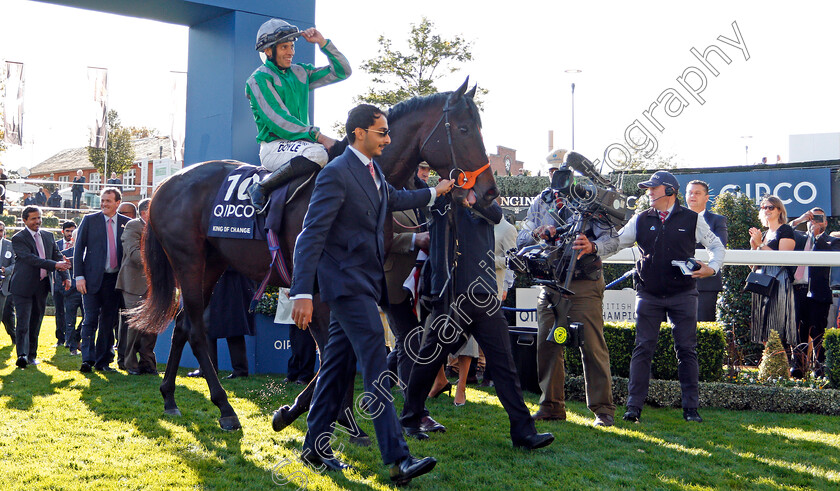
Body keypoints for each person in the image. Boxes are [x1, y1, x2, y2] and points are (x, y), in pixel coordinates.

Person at [289, 104, 451, 484]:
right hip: (345, 286)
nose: (388, 139)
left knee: (336, 367)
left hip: (365, 283)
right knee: (377, 364)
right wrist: (301, 292)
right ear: (358, 133)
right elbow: (310, 235)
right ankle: (398, 458)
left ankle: (313, 448)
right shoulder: (335, 174)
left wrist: (435, 191)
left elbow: (393, 199)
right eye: (382, 132)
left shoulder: (372, 170)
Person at [401, 186, 555, 449]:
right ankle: (410, 418)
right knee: (431, 358)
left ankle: (523, 432)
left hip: (484, 294)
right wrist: (456, 196)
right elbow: (438, 218)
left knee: (504, 362)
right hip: (451, 294)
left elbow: (496, 214)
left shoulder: (484, 201)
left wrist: (473, 199)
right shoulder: (441, 199)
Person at [574, 171, 725, 424]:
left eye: (653, 188)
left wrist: (712, 268)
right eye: (648, 188)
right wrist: (594, 248)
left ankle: (691, 409)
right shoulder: (641, 218)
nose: (649, 192)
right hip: (648, 294)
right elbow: (618, 242)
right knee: (642, 349)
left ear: (669, 191)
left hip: (683, 294)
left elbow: (717, 246)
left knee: (686, 350)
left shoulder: (692, 219)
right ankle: (633, 408)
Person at [518, 170, 617, 427]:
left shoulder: (592, 198)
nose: (556, 176)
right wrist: (538, 233)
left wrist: (593, 246)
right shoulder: (541, 201)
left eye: (561, 171)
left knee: (592, 345)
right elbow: (522, 236)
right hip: (551, 281)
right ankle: (551, 406)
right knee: (547, 343)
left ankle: (603, 410)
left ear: (573, 173)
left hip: (584, 280)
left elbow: (613, 239)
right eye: (551, 171)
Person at [245, 18, 351, 213]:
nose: (291, 52)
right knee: (318, 152)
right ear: (268, 51)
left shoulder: (300, 72)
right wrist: (318, 136)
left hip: (303, 144)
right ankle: (261, 187)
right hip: (274, 146)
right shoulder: (258, 79)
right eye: (284, 47)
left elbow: (342, 72)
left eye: (292, 46)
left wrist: (323, 43)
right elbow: (279, 121)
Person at [381, 168, 446, 432]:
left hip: (418, 282)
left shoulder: (421, 197)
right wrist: (415, 239)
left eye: (425, 170)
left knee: (407, 342)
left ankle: (380, 386)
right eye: (418, 168)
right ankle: (416, 414)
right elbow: (377, 238)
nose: (422, 174)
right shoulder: (383, 189)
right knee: (410, 342)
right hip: (392, 283)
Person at [75, 188, 131, 373]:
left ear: (118, 203)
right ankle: (87, 359)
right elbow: (78, 250)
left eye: (108, 200)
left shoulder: (126, 224)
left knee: (108, 321)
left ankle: (102, 362)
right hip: (90, 280)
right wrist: (79, 277)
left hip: (114, 280)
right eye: (103, 200)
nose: (104, 204)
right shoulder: (89, 220)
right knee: (90, 319)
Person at [10, 206, 71, 368]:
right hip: (22, 287)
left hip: (42, 287)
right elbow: (32, 259)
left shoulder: (48, 236)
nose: (37, 221)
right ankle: (22, 355)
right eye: (33, 218)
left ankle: (32, 355)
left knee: (36, 321)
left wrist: (65, 276)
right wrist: (56, 265)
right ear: (24, 220)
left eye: (39, 218)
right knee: (23, 322)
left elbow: (57, 256)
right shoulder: (19, 238)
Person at [788, 207, 838, 377]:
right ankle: (798, 368)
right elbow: (785, 232)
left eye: (819, 218)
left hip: (819, 293)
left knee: (818, 332)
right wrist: (800, 220)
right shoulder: (799, 238)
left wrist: (818, 236)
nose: (814, 221)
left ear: (825, 222)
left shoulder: (830, 241)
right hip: (798, 290)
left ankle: (819, 368)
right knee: (799, 331)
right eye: (812, 218)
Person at [185, 269, 254, 379]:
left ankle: (239, 370)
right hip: (218, 281)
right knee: (208, 326)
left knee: (233, 328)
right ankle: (208, 369)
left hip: (232, 281)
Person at [116, 199, 158, 375]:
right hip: (133, 282)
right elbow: (133, 254)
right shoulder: (133, 226)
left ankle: (148, 364)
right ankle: (130, 363)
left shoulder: (160, 228)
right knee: (134, 325)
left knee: (152, 325)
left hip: (155, 285)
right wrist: (160, 263)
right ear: (144, 212)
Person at [748, 195, 796, 348]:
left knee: (777, 325)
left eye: (771, 207)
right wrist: (753, 246)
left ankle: (781, 364)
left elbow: (782, 258)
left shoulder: (785, 230)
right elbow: (752, 266)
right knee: (762, 325)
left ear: (779, 210)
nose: (767, 210)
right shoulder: (763, 234)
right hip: (762, 281)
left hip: (779, 281)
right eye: (764, 207)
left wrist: (760, 244)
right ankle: (768, 362)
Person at [685, 180, 728, 322]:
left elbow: (719, 245)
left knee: (703, 330)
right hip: (676, 283)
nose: (693, 196)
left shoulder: (717, 220)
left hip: (705, 284)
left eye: (697, 193)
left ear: (706, 197)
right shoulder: (675, 219)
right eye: (690, 192)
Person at [52, 221, 77, 348]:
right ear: (63, 232)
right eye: (67, 231)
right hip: (58, 284)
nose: (69, 233)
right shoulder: (56, 245)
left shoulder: (79, 244)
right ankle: (60, 338)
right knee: (59, 312)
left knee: (70, 312)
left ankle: (72, 337)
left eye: (72, 230)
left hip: (74, 285)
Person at [62, 227, 83, 356]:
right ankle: (72, 347)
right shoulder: (64, 254)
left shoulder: (89, 254)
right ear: (73, 239)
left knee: (89, 318)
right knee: (70, 320)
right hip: (70, 292)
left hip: (85, 291)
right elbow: (59, 273)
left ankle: (76, 339)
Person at [0, 222, 16, 344]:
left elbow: (15, 263)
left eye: (1, 230)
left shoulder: (10, 245)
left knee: (7, 314)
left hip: (5, 286)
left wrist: (7, 270)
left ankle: (14, 336)